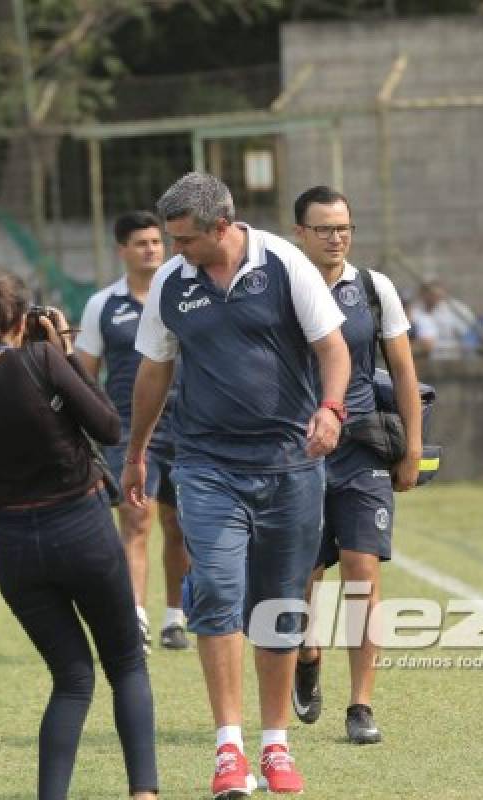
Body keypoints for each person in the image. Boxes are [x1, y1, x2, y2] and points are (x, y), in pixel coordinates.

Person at [124, 172, 349, 796]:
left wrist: (332, 411)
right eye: (170, 240)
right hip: (204, 466)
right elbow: (154, 371)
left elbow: (334, 349)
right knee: (216, 592)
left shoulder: (284, 265)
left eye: (187, 240)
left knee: (278, 605)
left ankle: (274, 744)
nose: (175, 252)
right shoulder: (173, 283)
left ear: (223, 226)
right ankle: (229, 749)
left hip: (290, 464)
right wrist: (136, 452)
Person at [0, 268, 156, 800]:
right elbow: (107, 426)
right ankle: (144, 794)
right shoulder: (41, 359)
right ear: (16, 318)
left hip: (11, 544)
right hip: (80, 528)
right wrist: (67, 352)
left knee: (72, 679)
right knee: (125, 664)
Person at [289, 186, 422, 745]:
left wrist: (412, 446)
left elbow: (404, 370)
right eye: (323, 228)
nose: (336, 237)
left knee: (362, 570)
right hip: (297, 453)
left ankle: (360, 706)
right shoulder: (280, 289)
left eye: (344, 226)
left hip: (363, 446)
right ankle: (306, 652)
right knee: (302, 578)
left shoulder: (373, 288)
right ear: (300, 233)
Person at [76, 211, 191, 653]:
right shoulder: (102, 304)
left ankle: (175, 618)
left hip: (186, 427)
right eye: (141, 243)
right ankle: (135, 619)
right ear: (121, 249)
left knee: (179, 525)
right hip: (127, 430)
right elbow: (84, 375)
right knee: (135, 520)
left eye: (156, 242)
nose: (151, 249)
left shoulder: (183, 295)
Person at [409, 279, 476, 360]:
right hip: (424, 358)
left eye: (434, 292)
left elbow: (470, 334)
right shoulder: (414, 310)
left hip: (453, 357)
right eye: (427, 291)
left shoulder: (455, 309)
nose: (431, 296)